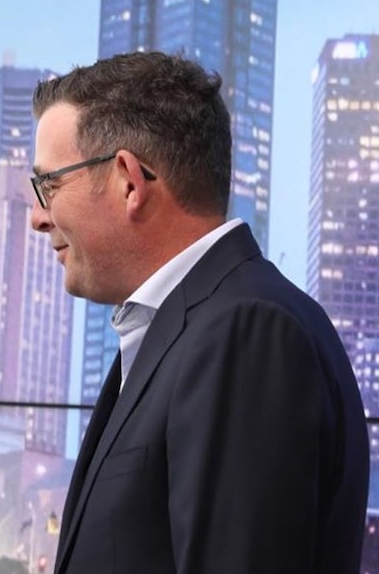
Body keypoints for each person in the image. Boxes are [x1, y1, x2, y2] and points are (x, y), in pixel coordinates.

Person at [29, 51, 369, 573]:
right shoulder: (186, 330)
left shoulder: (245, 332)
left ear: (128, 180)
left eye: (48, 185)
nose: (37, 217)